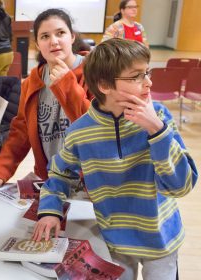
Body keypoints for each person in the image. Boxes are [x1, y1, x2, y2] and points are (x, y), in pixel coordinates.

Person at [33, 38, 198, 280]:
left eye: (147, 72)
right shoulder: (80, 132)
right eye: (137, 76)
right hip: (115, 242)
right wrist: (50, 210)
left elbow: (181, 186)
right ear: (104, 85)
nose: (149, 82)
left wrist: (157, 130)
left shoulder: (160, 117)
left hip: (162, 240)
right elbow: (59, 174)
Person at [0, 9, 92, 188]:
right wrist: (0, 172)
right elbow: (21, 131)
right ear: (37, 44)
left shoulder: (93, 72)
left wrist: (67, 84)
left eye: (60, 33)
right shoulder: (33, 81)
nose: (54, 41)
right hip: (51, 180)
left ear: (72, 37)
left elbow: (96, 126)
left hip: (90, 181)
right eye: (45, 36)